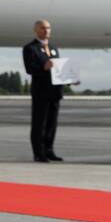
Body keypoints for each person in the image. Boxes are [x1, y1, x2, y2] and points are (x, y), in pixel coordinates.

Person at [21, 19, 64, 163]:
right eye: (43, 28)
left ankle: (49, 150)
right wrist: (43, 68)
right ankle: (38, 153)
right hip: (41, 92)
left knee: (52, 123)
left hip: (55, 92)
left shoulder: (53, 48)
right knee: (39, 124)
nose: (46, 31)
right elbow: (30, 69)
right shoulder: (30, 48)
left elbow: (58, 69)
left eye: (48, 28)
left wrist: (69, 78)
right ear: (36, 30)